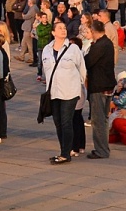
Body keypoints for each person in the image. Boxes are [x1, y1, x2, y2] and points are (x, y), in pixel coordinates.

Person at [41, 21, 87, 165]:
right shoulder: (47, 50)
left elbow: (82, 70)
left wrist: (77, 85)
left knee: (66, 121)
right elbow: (45, 70)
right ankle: (63, 149)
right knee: (58, 122)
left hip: (70, 91)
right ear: (53, 32)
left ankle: (65, 154)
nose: (63, 30)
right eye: (59, 28)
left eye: (64, 28)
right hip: (53, 92)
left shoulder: (73, 49)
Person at [84, 20, 116, 159]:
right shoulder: (106, 42)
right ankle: (103, 148)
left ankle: (101, 150)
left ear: (93, 31)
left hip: (99, 85)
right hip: (107, 84)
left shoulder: (99, 45)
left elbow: (88, 61)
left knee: (98, 120)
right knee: (103, 119)